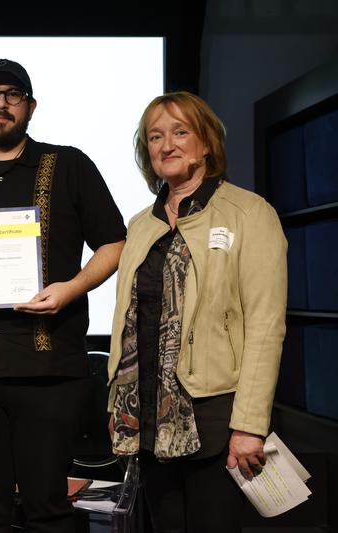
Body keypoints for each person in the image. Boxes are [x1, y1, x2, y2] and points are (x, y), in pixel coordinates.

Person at [0, 58, 126, 532]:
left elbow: (115, 244)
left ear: (30, 106)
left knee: (48, 507)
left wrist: (71, 288)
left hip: (48, 367)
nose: (0, 105)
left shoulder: (69, 165)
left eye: (12, 95)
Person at [108, 91, 287, 533]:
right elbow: (128, 322)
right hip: (147, 417)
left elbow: (265, 326)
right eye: (155, 136)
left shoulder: (249, 213)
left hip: (215, 419)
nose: (166, 144)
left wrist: (249, 425)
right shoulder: (140, 225)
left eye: (180, 132)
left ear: (206, 143)